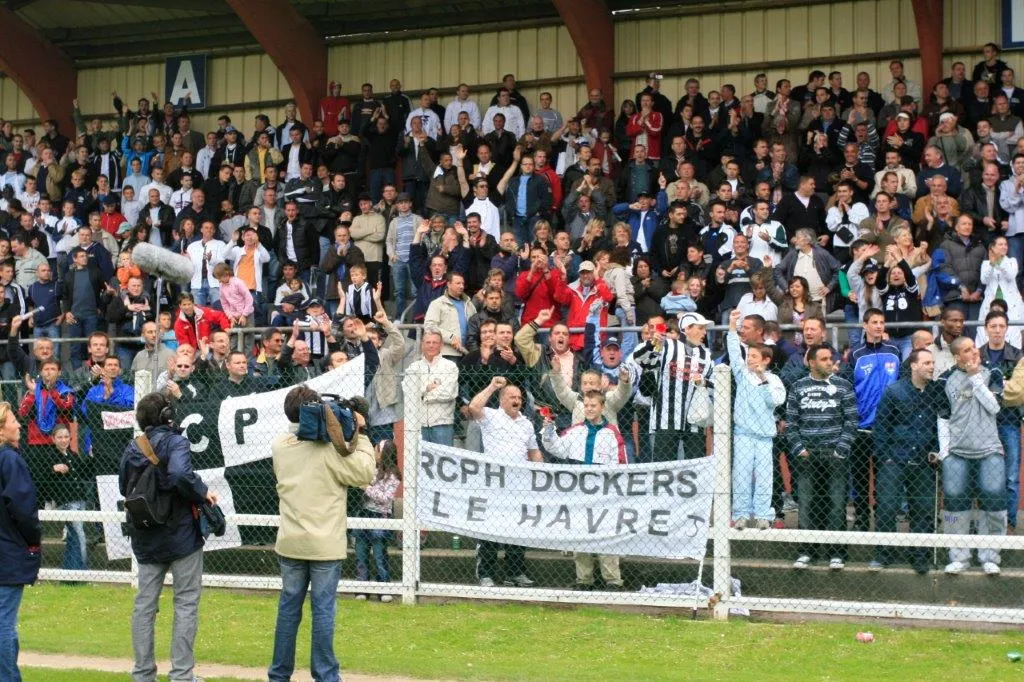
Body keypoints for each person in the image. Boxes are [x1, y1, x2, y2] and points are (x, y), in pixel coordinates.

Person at [268, 387, 376, 682]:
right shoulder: (331, 451)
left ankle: (279, 675)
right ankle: (326, 675)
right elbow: (366, 473)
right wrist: (360, 431)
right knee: (323, 611)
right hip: (325, 545)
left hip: (291, 542)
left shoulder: (280, 446)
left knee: (289, 609)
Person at [119, 392, 217, 682]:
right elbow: (179, 474)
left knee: (144, 605)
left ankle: (143, 674)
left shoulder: (132, 446)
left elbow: (125, 486)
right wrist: (203, 491)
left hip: (146, 533)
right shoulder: (177, 441)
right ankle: (182, 675)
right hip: (181, 535)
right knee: (186, 603)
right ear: (167, 415)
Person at [540, 390, 627, 591]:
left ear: (602, 407)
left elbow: (622, 464)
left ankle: (613, 580)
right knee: (580, 535)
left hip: (603, 495)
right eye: (586, 405)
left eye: (593, 405)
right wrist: (549, 431)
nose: (589, 409)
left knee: (606, 536)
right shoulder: (574, 430)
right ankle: (584, 579)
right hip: (578, 494)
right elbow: (557, 449)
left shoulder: (612, 433)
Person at [936, 336, 1007, 575]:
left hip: (989, 449)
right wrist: (945, 453)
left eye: (974, 348)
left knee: (993, 498)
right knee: (955, 505)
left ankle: (990, 556)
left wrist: (976, 377)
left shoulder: (992, 373)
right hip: (957, 453)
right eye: (967, 350)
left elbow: (995, 407)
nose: (974, 352)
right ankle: (959, 556)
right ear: (957, 357)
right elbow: (943, 418)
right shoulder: (946, 379)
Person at [786, 345, 859, 570]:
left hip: (835, 455)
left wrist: (841, 449)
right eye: (824, 359)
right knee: (807, 505)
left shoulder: (843, 386)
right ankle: (807, 551)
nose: (830, 362)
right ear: (811, 362)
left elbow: (852, 421)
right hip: (807, 456)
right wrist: (799, 449)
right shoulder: (798, 387)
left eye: (831, 358)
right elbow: (791, 423)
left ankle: (836, 552)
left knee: (837, 506)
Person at [466, 376, 542, 587]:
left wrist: (542, 472)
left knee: (517, 530)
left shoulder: (526, 424)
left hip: (518, 486)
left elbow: (534, 452)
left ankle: (515, 573)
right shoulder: (490, 416)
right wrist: (491, 386)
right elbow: (473, 406)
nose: (516, 400)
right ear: (501, 400)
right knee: (490, 528)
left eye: (519, 397)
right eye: (511, 397)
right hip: (494, 484)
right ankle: (486, 574)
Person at [871, 348, 941, 574]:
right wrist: (885, 458)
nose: (931, 367)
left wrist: (935, 450)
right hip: (894, 460)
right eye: (927, 363)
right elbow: (880, 427)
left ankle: (919, 555)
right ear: (913, 365)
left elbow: (942, 426)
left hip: (923, 461)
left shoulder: (937, 392)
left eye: (932, 363)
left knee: (923, 510)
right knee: (887, 508)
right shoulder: (894, 391)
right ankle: (884, 554)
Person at [726, 309, 787, 530]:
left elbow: (776, 401)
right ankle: (741, 514)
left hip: (764, 437)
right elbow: (734, 352)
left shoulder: (773, 379)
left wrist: (762, 379)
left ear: (766, 359)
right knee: (740, 476)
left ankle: (763, 514)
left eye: (753, 356)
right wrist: (732, 326)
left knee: (764, 478)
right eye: (749, 356)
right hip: (743, 434)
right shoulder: (742, 375)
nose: (749, 360)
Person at [632, 312, 715, 461]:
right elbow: (639, 358)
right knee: (663, 468)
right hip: (665, 420)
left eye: (705, 329)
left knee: (694, 468)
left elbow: (715, 384)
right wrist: (652, 343)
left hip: (695, 422)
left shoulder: (706, 355)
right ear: (687, 328)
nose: (704, 332)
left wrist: (704, 382)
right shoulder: (667, 345)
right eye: (700, 328)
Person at [0, 400, 39, 682]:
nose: (18, 425)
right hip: (8, 552)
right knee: (4, 624)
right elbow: (23, 508)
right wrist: (33, 540)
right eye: (13, 420)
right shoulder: (10, 460)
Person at [353, 439, 401, 601]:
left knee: (380, 554)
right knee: (361, 553)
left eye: (376, 450)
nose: (374, 453)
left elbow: (385, 498)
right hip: (364, 512)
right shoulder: (372, 469)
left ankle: (383, 588)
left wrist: (367, 487)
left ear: (384, 453)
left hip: (380, 516)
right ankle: (362, 587)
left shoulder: (393, 475)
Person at [405, 329, 459, 446]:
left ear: (441, 345)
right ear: (422, 344)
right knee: (418, 463)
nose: (431, 345)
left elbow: (449, 393)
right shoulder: (414, 367)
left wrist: (422, 395)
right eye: (428, 342)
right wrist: (427, 389)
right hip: (418, 424)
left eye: (435, 342)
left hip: (442, 424)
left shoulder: (450, 366)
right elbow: (407, 392)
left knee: (444, 462)